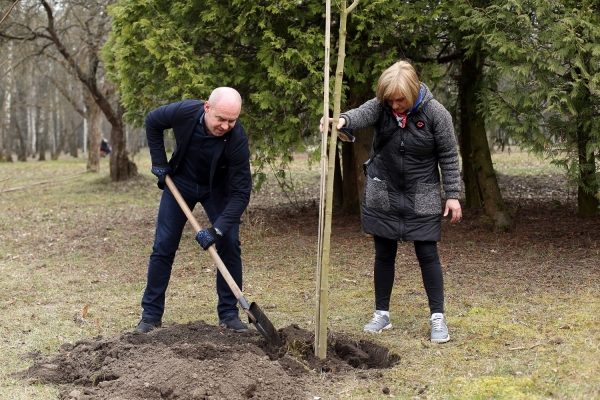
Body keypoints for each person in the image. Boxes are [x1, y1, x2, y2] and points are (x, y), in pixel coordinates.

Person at [320, 61, 462, 343]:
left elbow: (448, 155)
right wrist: (343, 120)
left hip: (422, 191)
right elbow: (362, 114)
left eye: (400, 99)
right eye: (390, 100)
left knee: (427, 254)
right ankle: (381, 314)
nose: (395, 105)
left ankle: (437, 318)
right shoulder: (382, 106)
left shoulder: (436, 114)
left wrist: (454, 196)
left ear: (412, 91)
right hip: (382, 188)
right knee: (383, 253)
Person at [136, 87, 252, 334]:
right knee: (164, 245)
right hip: (180, 183)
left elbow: (241, 193)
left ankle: (229, 315)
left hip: (217, 190)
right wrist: (159, 162)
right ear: (207, 107)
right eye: (220, 118)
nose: (225, 125)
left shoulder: (237, 140)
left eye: (232, 120)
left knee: (229, 242)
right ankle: (151, 316)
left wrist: (217, 230)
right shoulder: (185, 111)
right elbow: (152, 122)